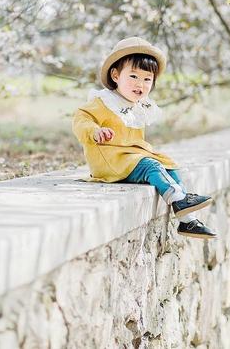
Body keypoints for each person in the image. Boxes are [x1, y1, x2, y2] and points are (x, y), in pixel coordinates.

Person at [72, 36, 217, 239]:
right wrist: (95, 131)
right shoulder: (104, 102)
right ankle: (179, 198)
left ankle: (187, 221)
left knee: (169, 166)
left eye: (147, 79)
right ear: (115, 75)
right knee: (151, 166)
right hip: (111, 159)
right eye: (133, 76)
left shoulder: (138, 106)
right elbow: (81, 119)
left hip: (130, 157)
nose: (140, 84)